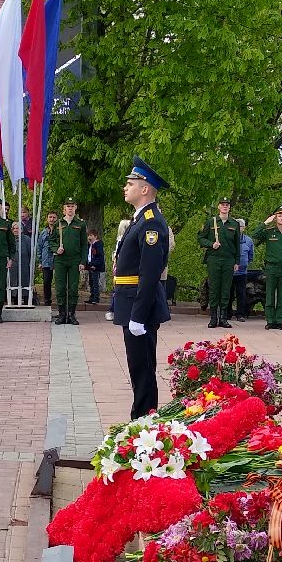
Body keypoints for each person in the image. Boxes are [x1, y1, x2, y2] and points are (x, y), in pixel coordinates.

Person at [112, 158, 171, 418]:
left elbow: (149, 274)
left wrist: (137, 315)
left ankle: (144, 420)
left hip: (140, 306)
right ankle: (141, 419)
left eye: (131, 183)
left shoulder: (151, 223)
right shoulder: (139, 220)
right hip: (131, 301)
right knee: (137, 367)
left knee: (143, 368)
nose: (126, 187)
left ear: (145, 189)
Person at [252, 206, 282, 329]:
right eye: (280, 216)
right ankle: (270, 321)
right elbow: (255, 234)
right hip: (271, 268)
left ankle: (279, 321)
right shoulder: (269, 232)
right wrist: (265, 222)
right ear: (275, 218)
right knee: (270, 295)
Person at [198, 197, 240, 328]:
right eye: (222, 204)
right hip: (214, 259)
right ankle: (213, 317)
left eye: (227, 205)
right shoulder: (211, 222)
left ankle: (223, 317)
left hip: (228, 260)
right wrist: (211, 244)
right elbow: (200, 238)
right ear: (218, 207)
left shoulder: (234, 224)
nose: (225, 207)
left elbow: (237, 244)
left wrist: (236, 261)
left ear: (230, 207)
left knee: (226, 289)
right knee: (214, 288)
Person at [51, 199, 87, 325]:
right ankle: (62, 314)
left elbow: (84, 245)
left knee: (73, 288)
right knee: (60, 288)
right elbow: (52, 241)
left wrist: (83, 261)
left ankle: (71, 315)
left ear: (75, 208)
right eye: (68, 206)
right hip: (61, 260)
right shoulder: (58, 224)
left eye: (72, 206)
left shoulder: (81, 224)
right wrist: (56, 249)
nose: (70, 208)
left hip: (74, 260)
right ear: (64, 208)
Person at [36, 212, 58, 308]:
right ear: (47, 219)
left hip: (57, 259)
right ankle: (47, 300)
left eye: (54, 217)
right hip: (46, 260)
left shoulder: (59, 230)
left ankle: (60, 300)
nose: (52, 219)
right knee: (46, 281)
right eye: (50, 217)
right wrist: (40, 261)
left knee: (59, 281)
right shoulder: (43, 232)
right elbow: (39, 246)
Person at [232, 217, 252, 321]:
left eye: (241, 226)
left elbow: (250, 255)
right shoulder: (230, 239)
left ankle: (240, 314)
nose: (239, 228)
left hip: (242, 272)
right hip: (230, 272)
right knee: (229, 293)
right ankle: (227, 313)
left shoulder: (248, 240)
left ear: (244, 228)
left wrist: (245, 264)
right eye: (237, 226)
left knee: (241, 294)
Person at [85, 230, 104, 306]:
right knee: (91, 282)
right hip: (90, 265)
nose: (89, 237)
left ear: (95, 236)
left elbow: (99, 256)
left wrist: (94, 264)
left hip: (95, 267)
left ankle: (96, 298)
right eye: (88, 235)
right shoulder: (91, 245)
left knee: (95, 282)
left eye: (91, 235)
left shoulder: (98, 245)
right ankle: (92, 297)